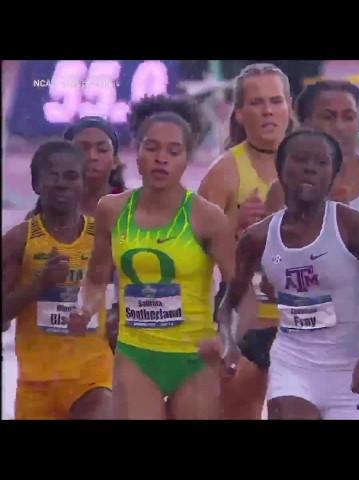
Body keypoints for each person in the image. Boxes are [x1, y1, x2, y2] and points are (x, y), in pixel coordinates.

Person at [201, 129, 359, 419]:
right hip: (293, 364)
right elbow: (231, 301)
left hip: (349, 366)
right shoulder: (258, 238)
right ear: (280, 168)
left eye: (320, 163)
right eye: (300, 160)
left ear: (333, 174)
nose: (309, 168)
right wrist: (228, 342)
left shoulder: (352, 226)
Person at [69, 95, 236, 419]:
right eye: (152, 148)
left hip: (194, 357)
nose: (161, 159)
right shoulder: (112, 210)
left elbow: (238, 290)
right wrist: (84, 307)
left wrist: (227, 337)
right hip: (136, 355)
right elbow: (95, 279)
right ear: (136, 151)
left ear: (187, 159)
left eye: (173, 152)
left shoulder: (208, 217)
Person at [266, 80, 359, 419]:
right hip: (310, 328)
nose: (340, 126)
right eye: (328, 116)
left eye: (349, 116)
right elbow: (274, 264)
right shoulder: (283, 191)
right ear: (304, 124)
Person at [198, 63, 295, 419]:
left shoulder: (314, 163)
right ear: (239, 113)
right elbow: (194, 254)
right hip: (247, 325)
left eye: (275, 101)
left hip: (304, 323)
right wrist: (233, 227)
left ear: (290, 107)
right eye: (256, 103)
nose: (268, 110)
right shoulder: (224, 172)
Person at [2, 141, 113, 419]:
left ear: (84, 183)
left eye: (71, 176)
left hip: (92, 376)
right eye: (52, 175)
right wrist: (39, 285)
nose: (61, 183)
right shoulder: (18, 240)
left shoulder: (103, 237)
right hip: (36, 383)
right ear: (36, 184)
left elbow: (126, 294)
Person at [63, 116, 127, 350]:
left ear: (115, 160)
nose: (92, 156)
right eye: (83, 148)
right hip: (60, 337)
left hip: (120, 337)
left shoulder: (135, 212)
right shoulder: (43, 217)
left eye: (102, 149)